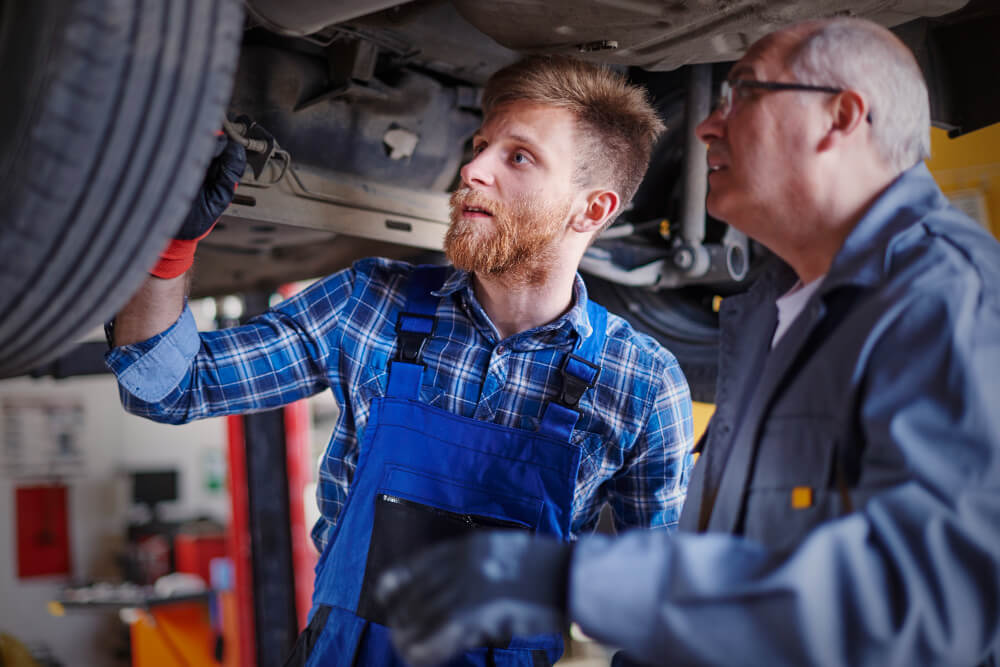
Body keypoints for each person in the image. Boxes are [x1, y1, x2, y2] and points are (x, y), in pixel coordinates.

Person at [376, 17, 1000, 667]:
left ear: (839, 117)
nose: (706, 124)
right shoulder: (776, 314)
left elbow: (929, 603)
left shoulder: (946, 300)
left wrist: (572, 579)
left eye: (743, 93)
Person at [105, 56, 694, 665]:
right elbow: (166, 386)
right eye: (480, 144)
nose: (472, 169)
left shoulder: (642, 384)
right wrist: (168, 245)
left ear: (592, 209)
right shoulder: (370, 305)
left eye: (518, 157)